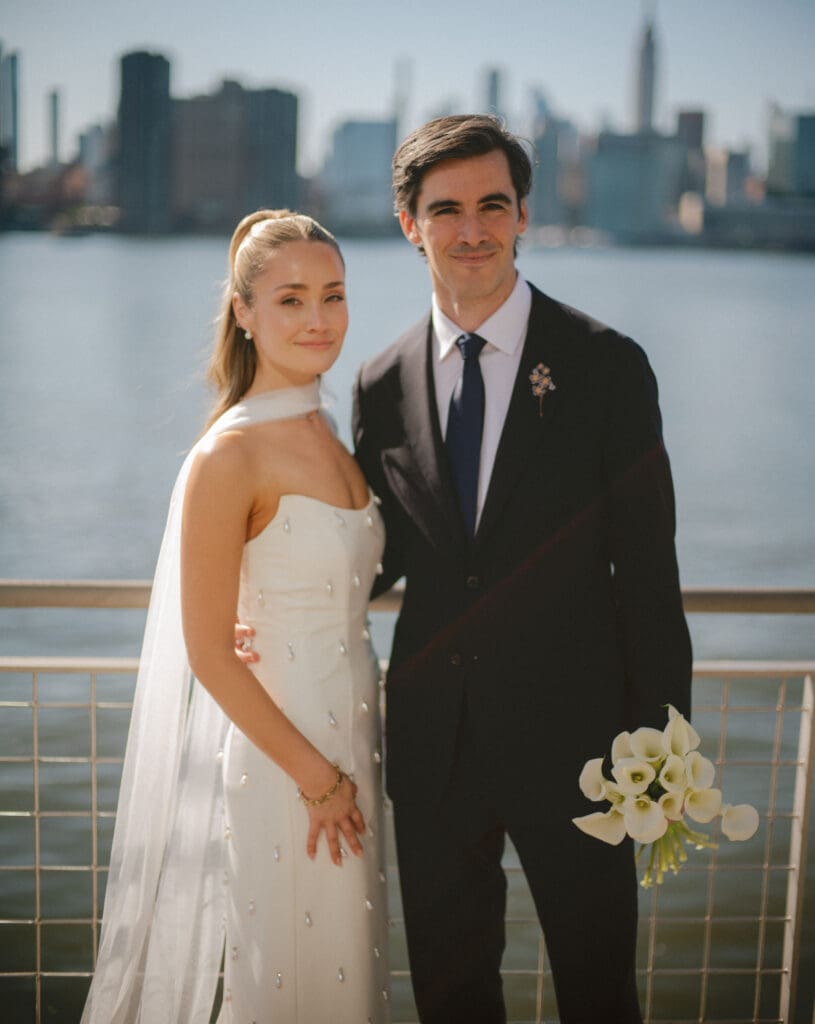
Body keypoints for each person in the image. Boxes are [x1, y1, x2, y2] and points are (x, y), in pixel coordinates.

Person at [351, 116, 693, 1023]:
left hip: (582, 749)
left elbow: (648, 574)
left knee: (597, 991)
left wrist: (662, 753)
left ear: (523, 215)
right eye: (446, 210)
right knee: (450, 996)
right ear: (409, 224)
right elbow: (382, 555)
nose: (471, 230)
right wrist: (270, 598)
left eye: (492, 205)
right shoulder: (379, 382)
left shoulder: (606, 366)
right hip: (434, 747)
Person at [82, 210, 390, 1024]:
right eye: (290, 299)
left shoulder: (326, 427)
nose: (318, 319)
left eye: (332, 295)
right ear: (244, 311)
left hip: (354, 743)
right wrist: (318, 781)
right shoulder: (229, 455)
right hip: (290, 764)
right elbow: (210, 652)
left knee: (347, 977)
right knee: (290, 979)